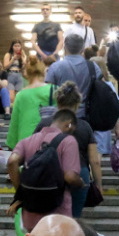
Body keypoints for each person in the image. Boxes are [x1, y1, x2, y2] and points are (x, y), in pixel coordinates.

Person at [7, 108, 82, 234]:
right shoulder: (68, 141)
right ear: (68, 124)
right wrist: (81, 183)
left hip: (30, 216)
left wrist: (21, 192)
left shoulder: (28, 140)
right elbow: (70, 177)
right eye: (72, 130)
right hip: (58, 215)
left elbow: (11, 162)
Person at [32, 81, 100, 218]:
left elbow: (33, 151)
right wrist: (99, 185)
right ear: (77, 104)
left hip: (50, 173)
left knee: (50, 217)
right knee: (73, 219)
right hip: (79, 173)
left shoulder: (45, 123)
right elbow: (95, 160)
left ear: (58, 102)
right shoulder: (85, 126)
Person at [45, 34, 102, 118]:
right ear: (83, 49)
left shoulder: (55, 67)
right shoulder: (93, 67)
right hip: (86, 116)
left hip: (62, 117)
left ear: (65, 47)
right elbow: (100, 87)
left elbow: (48, 92)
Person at [7, 54, 53, 149]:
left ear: (26, 75)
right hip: (49, 141)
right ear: (44, 73)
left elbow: (14, 124)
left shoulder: (21, 95)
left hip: (26, 142)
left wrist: (12, 145)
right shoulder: (54, 90)